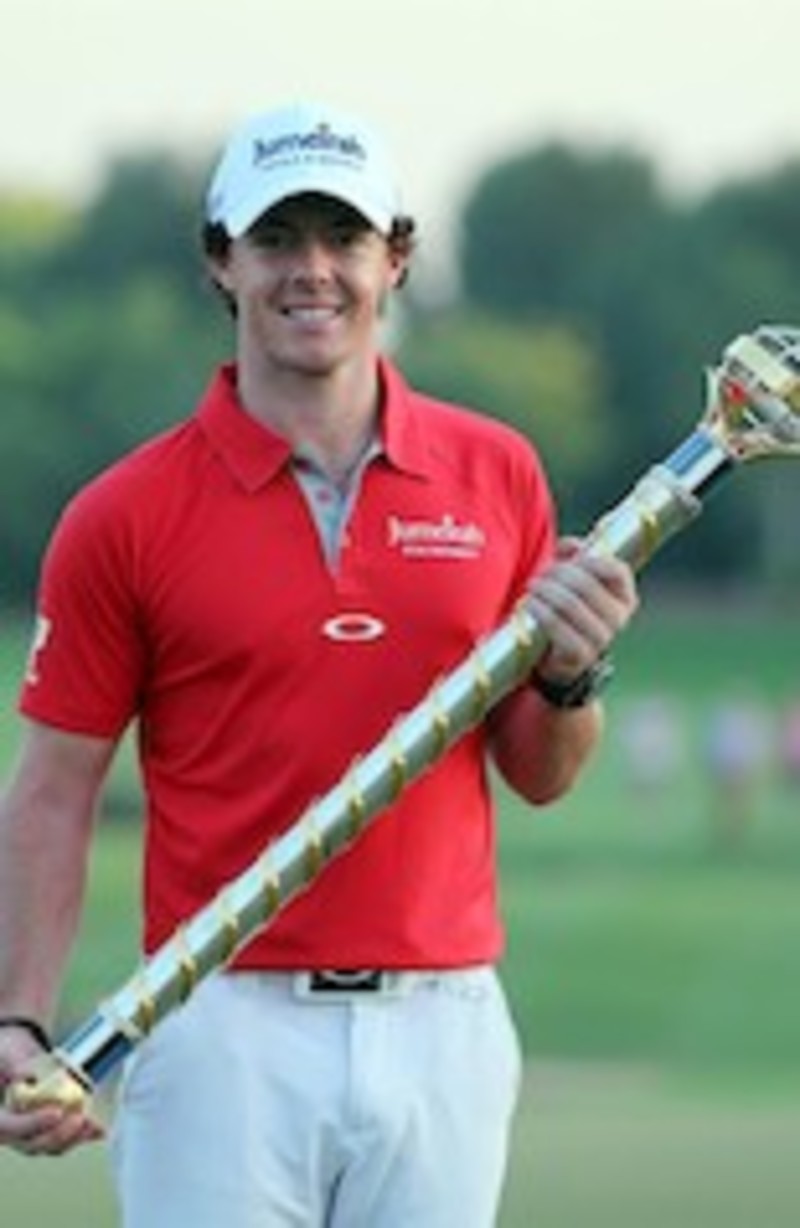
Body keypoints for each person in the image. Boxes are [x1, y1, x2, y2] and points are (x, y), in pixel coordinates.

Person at [0, 100, 638, 1227]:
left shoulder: (496, 473)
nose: (312, 270)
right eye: (276, 239)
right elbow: (53, 790)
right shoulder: (123, 513)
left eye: (344, 238)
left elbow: (540, 773)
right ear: (222, 261)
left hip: (443, 1024)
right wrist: (17, 1019)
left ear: (396, 259)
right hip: (215, 1022)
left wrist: (571, 678)